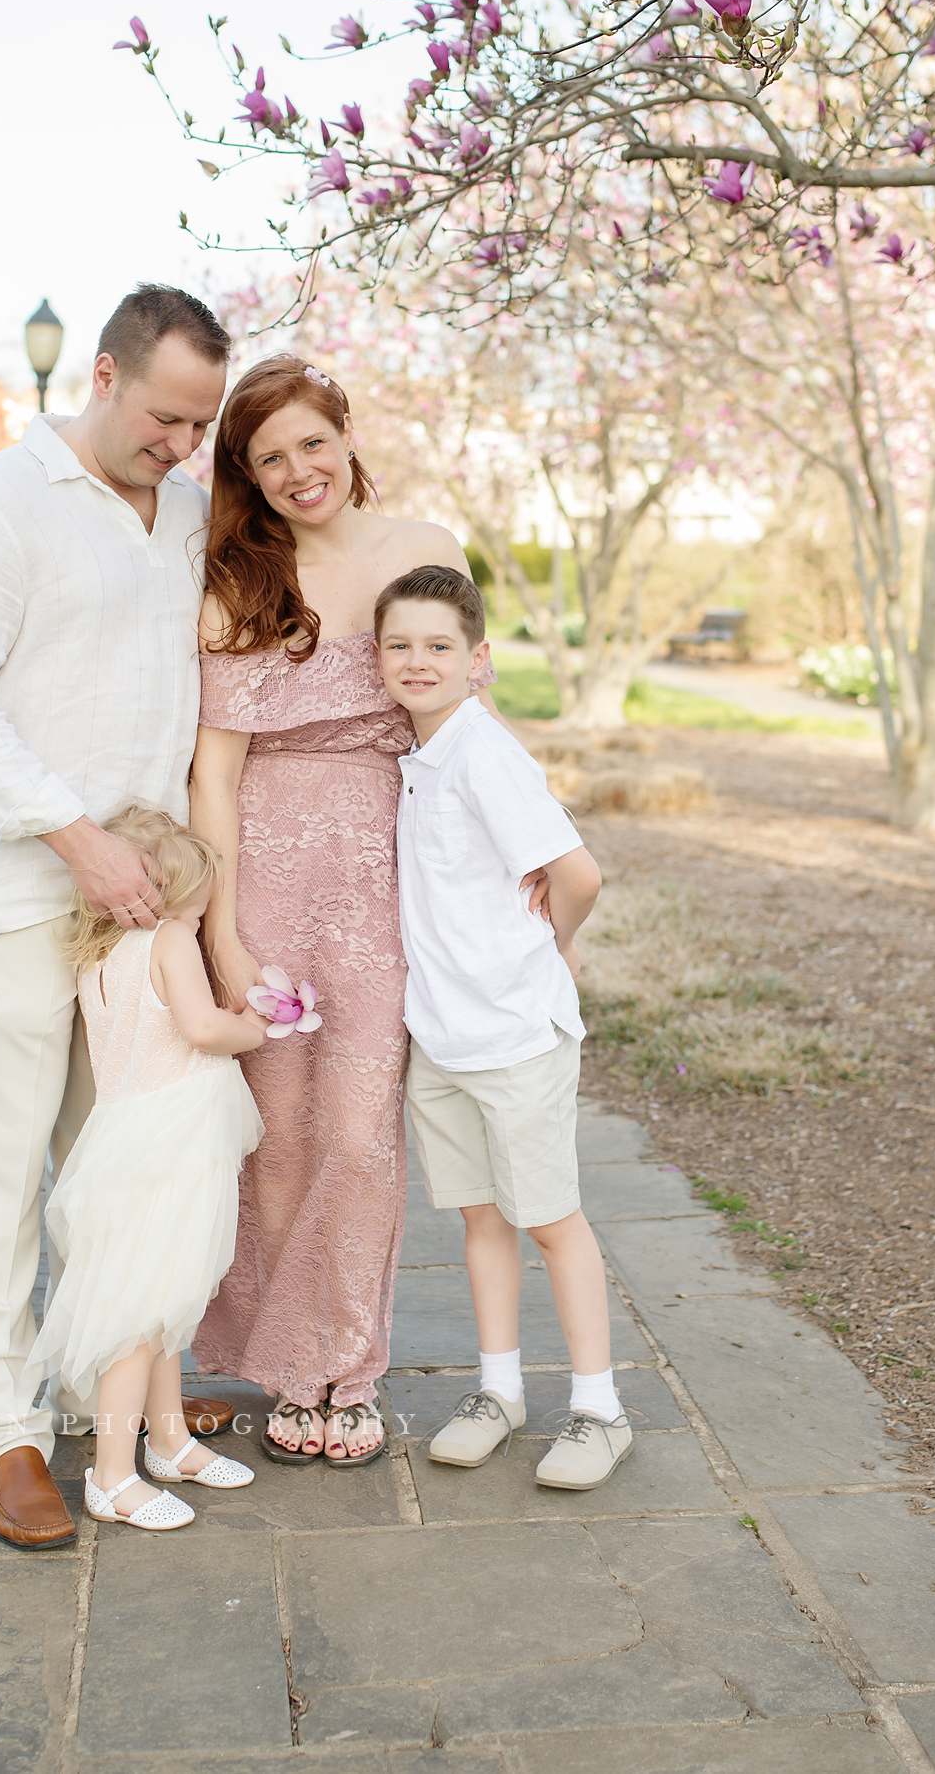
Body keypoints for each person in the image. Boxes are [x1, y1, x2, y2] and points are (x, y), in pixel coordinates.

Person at [0, 284, 234, 1550]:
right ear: (102, 376)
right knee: (3, 1165)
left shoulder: (193, 509)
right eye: (166, 416)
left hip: (147, 905)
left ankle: (116, 1383)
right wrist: (76, 836)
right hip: (26, 887)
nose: (181, 445)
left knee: (122, 1167)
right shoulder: (1, 501)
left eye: (200, 424)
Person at [189, 354, 484, 1467]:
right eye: (269, 459)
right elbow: (214, 776)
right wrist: (223, 930)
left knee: (360, 1135)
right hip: (264, 867)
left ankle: (348, 1366)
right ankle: (284, 1366)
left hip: (387, 870)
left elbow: (460, 728)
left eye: (312, 442)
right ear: (248, 477)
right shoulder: (239, 579)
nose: (297, 471)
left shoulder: (427, 549)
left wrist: (510, 855)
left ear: (347, 434)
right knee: (274, 1141)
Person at [375, 563, 635, 1491]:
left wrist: (552, 950)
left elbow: (582, 875)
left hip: (514, 1035)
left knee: (551, 1220)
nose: (417, 660)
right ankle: (498, 1392)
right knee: (481, 1219)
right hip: (443, 1035)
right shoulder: (421, 756)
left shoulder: (485, 754)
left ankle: (600, 1410)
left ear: (478, 661)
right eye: (399, 645)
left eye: (439, 646)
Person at [27, 805, 266, 1532]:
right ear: (178, 894)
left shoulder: (99, 952)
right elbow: (199, 1027)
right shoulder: (168, 939)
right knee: (137, 1318)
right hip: (171, 1144)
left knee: (162, 1305)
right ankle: (110, 1478)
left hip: (124, 1138)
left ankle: (169, 1441)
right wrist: (257, 1027)